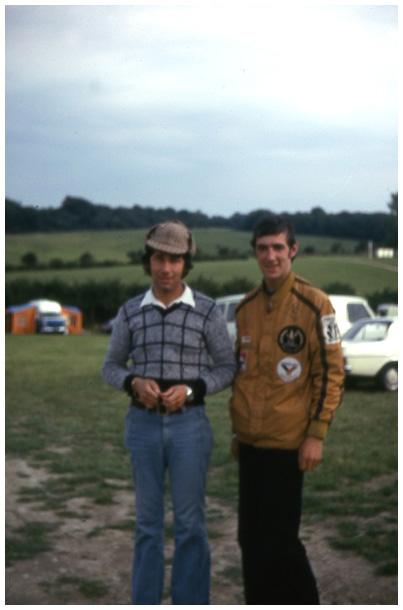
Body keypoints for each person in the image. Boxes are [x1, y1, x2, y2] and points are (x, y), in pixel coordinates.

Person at [102, 220, 236, 605]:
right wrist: (133, 384)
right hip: (142, 427)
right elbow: (110, 366)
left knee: (191, 524)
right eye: (159, 259)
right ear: (148, 262)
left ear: (185, 264)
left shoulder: (208, 311)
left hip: (190, 428)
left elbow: (226, 367)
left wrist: (192, 389)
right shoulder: (129, 312)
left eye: (175, 261)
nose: (166, 269)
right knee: (147, 525)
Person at [230, 213, 344, 605]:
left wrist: (317, 433)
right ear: (255, 253)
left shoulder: (316, 305)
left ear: (293, 249)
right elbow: (245, 377)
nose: (271, 256)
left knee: (279, 542)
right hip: (250, 444)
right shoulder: (245, 307)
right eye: (263, 248)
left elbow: (331, 373)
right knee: (249, 540)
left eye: (278, 247)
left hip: (288, 444)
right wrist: (236, 431)